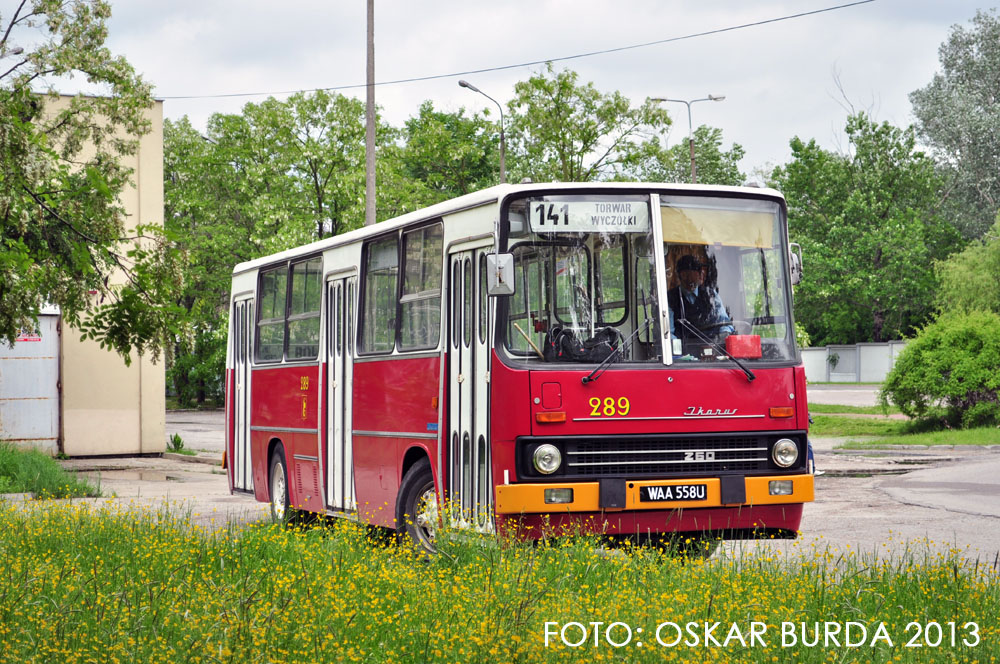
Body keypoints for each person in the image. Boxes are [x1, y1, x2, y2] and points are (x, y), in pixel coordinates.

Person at [667, 254, 734, 340]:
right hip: (684, 350)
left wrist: (723, 335)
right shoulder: (670, 298)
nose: (702, 273)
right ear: (681, 275)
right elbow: (668, 334)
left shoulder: (711, 294)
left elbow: (724, 322)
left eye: (700, 271)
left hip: (713, 348)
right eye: (697, 270)